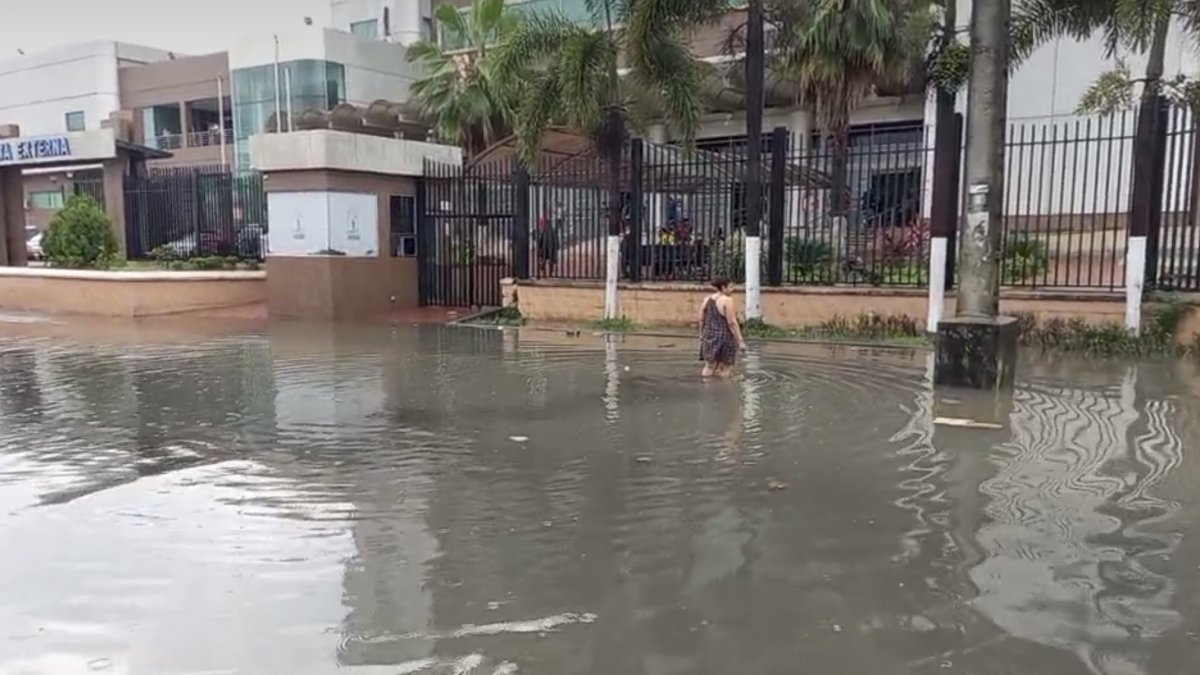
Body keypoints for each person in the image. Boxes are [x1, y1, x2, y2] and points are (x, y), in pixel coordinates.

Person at [698, 277, 747, 378]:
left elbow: (701, 319)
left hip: (709, 336)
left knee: (709, 366)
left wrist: (701, 334)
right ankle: (723, 390)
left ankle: (706, 387)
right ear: (723, 287)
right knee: (725, 367)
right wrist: (740, 341)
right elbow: (732, 322)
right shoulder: (727, 300)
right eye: (730, 287)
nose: (733, 289)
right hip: (725, 337)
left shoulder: (707, 299)